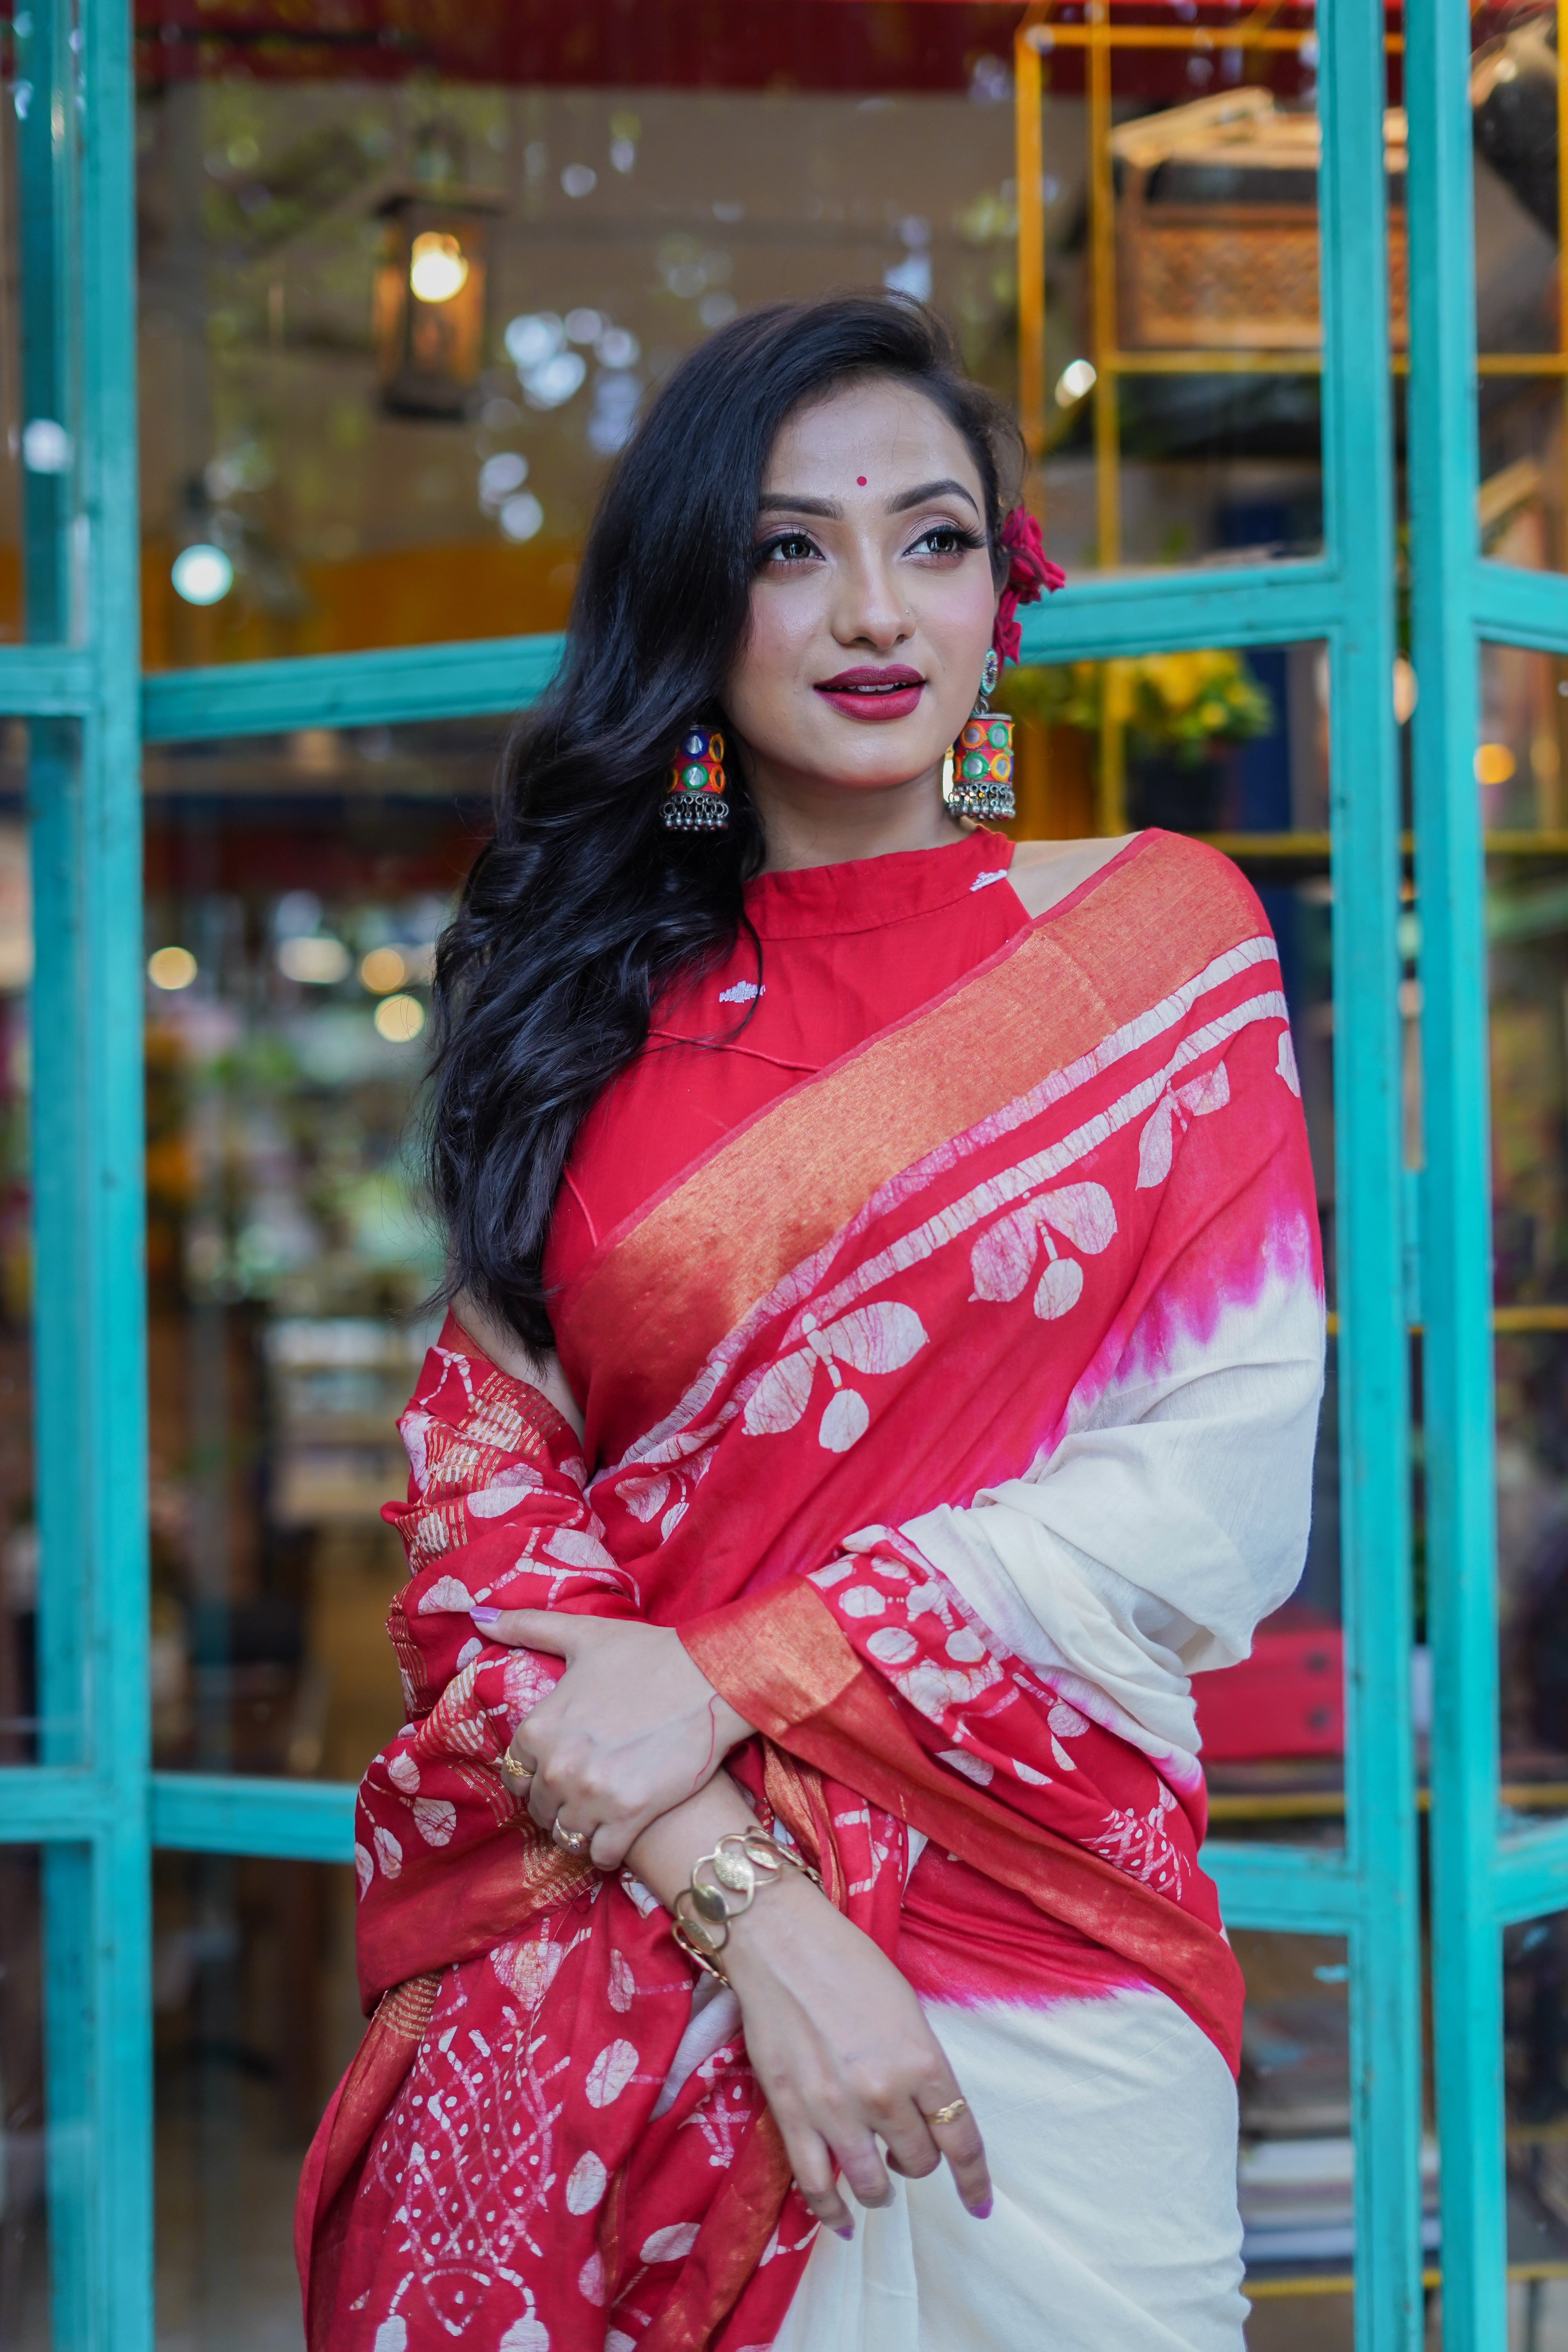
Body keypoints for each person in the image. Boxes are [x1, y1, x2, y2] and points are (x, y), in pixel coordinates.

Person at [295, 293, 1324, 2352]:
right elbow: (497, 1548)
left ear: (1001, 591)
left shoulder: (1156, 950)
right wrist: (757, 1911)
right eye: (792, 547)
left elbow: (1214, 1490)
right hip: (631, 1930)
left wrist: (737, 1670)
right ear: (699, 601)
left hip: (1054, 1929)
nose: (874, 606)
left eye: (932, 537)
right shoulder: (583, 1021)